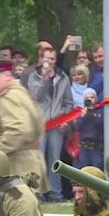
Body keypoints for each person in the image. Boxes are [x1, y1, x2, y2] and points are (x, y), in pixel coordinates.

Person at [0, 58, 50, 194]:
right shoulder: (19, 93)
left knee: (17, 212)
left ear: (7, 76)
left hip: (18, 166)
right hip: (27, 164)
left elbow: (18, 130)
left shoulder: (10, 97)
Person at [27, 48, 74, 202]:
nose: (49, 62)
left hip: (57, 123)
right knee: (38, 158)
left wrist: (65, 119)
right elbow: (35, 96)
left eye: (52, 59)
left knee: (55, 159)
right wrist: (44, 79)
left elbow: (68, 101)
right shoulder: (34, 76)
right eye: (46, 59)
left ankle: (56, 192)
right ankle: (38, 192)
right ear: (41, 60)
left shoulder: (63, 77)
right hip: (40, 123)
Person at [75, 89, 104, 169]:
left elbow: (100, 124)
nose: (90, 99)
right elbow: (78, 127)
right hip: (84, 146)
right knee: (84, 167)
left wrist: (93, 114)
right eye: (87, 98)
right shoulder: (82, 112)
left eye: (92, 97)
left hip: (96, 146)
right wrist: (82, 117)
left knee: (97, 166)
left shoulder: (100, 111)